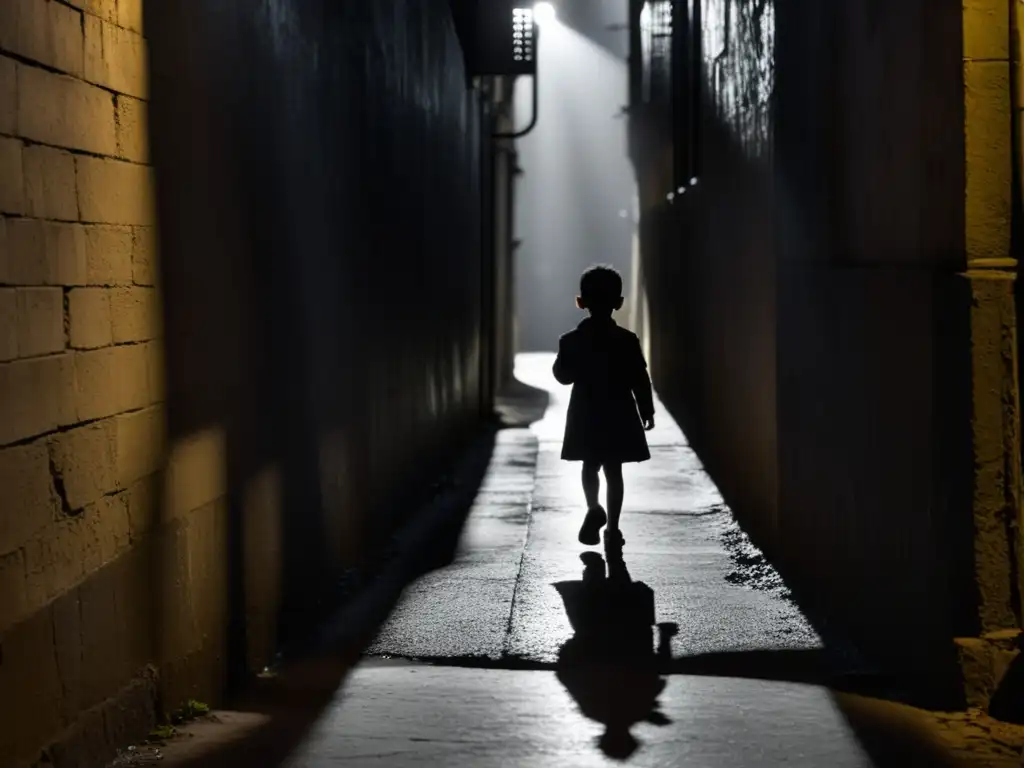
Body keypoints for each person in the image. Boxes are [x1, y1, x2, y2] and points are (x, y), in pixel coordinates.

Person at [552, 264, 655, 549]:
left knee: (589, 465)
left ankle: (593, 508)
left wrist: (567, 357)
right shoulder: (627, 341)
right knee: (614, 471)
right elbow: (639, 379)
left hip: (586, 413)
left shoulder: (571, 341)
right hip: (619, 412)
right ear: (619, 303)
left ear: (580, 302)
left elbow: (562, 377)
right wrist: (646, 410)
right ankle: (613, 528)